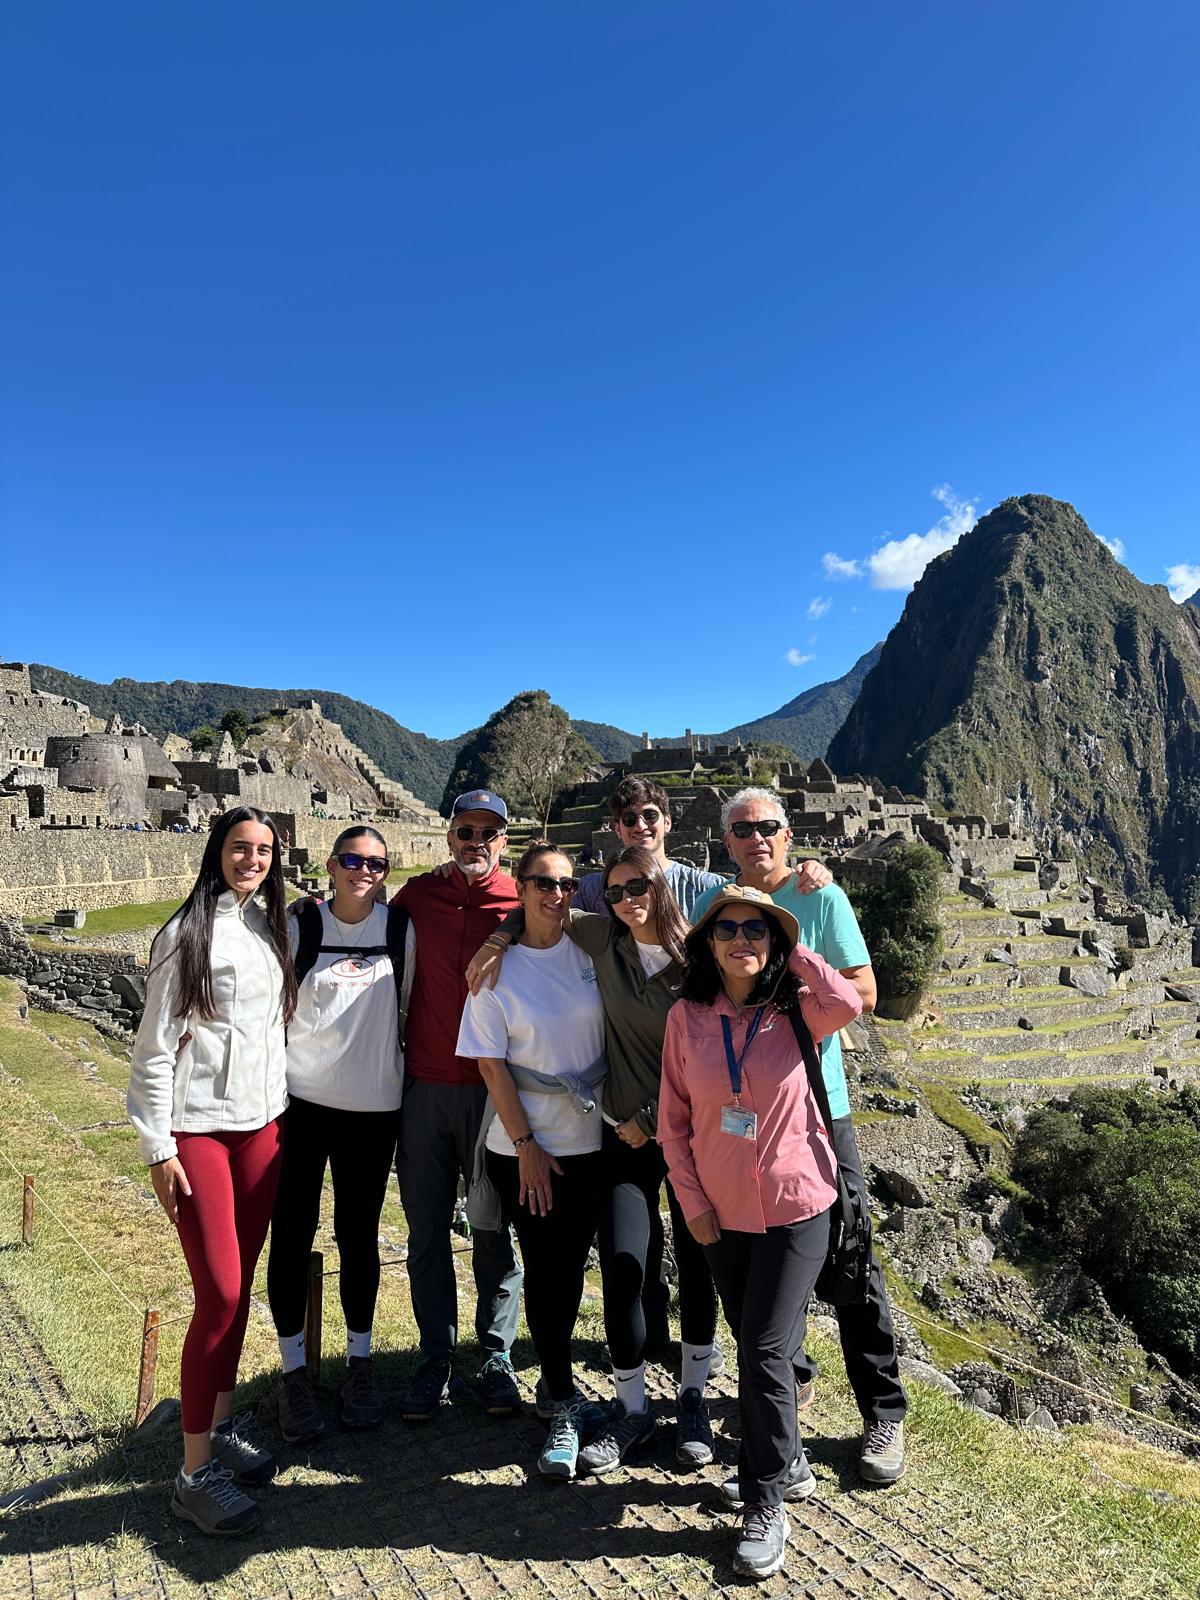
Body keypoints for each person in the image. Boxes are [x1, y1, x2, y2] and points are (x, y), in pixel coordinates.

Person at [467, 846, 721, 1476]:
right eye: (614, 891)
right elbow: (538, 916)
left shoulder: (701, 960)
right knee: (622, 1265)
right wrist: (497, 937)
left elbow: (712, 1053)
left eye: (639, 887)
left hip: (685, 1134)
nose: (627, 899)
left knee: (697, 1265)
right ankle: (629, 1407)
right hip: (617, 1139)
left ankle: (692, 1398)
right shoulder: (604, 939)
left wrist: (652, 1117)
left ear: (662, 885)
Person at [689, 787, 908, 1485]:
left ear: (788, 834)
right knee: (758, 1264)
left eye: (769, 826)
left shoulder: (822, 899)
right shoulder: (717, 904)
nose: (757, 837)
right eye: (743, 829)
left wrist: (789, 958)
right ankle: (790, 1385)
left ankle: (882, 1411)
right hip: (738, 1119)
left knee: (851, 1260)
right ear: (727, 841)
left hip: (815, 1108)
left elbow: (863, 995)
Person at [659, 885, 861, 1580]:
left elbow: (849, 1000)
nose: (741, 940)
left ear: (773, 943)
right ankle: (789, 1462)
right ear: (707, 945)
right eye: (728, 930)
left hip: (796, 1205)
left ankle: (764, 1500)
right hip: (720, 1212)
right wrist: (691, 1204)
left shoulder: (799, 1010)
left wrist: (794, 949)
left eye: (756, 930)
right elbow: (672, 1122)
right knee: (757, 1341)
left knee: (764, 1350)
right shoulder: (686, 1018)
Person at [127, 806, 297, 1536]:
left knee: (240, 1284)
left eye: (263, 850)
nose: (251, 860)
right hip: (198, 1131)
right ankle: (192, 1475)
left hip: (262, 1127)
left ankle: (220, 1425)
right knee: (221, 1295)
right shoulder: (183, 935)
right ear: (216, 851)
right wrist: (158, 1147)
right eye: (239, 847)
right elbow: (154, 1050)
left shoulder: (269, 927)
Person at [456, 842, 605, 1481]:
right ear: (519, 888)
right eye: (543, 882)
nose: (556, 894)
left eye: (567, 884)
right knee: (546, 1273)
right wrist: (527, 1149)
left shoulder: (593, 949)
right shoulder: (496, 970)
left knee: (569, 1273)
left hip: (594, 1140)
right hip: (526, 1149)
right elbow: (491, 1066)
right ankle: (563, 1400)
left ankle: (555, 1385)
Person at [267, 826, 413, 1443]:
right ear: (331, 865)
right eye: (352, 860)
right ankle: (293, 1371)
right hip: (301, 1105)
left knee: (359, 1237)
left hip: (372, 1109)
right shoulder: (302, 924)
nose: (364, 872)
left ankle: (359, 1361)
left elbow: (409, 1005)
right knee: (291, 1233)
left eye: (376, 864)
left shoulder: (400, 931)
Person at [390, 790, 524, 1420]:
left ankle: (495, 1354)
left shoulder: (523, 901)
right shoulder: (418, 897)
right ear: (450, 836)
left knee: (493, 1227)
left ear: (504, 841)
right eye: (466, 831)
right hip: (424, 1087)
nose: (477, 842)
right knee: (426, 1230)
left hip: (495, 1092)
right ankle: (435, 1354)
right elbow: (359, 925)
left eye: (488, 833)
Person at [571, 775, 832, 918]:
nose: (640, 826)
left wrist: (807, 872)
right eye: (629, 819)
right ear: (617, 828)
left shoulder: (705, 888)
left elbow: (763, 895)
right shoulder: (592, 890)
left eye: (650, 816)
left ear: (667, 822)